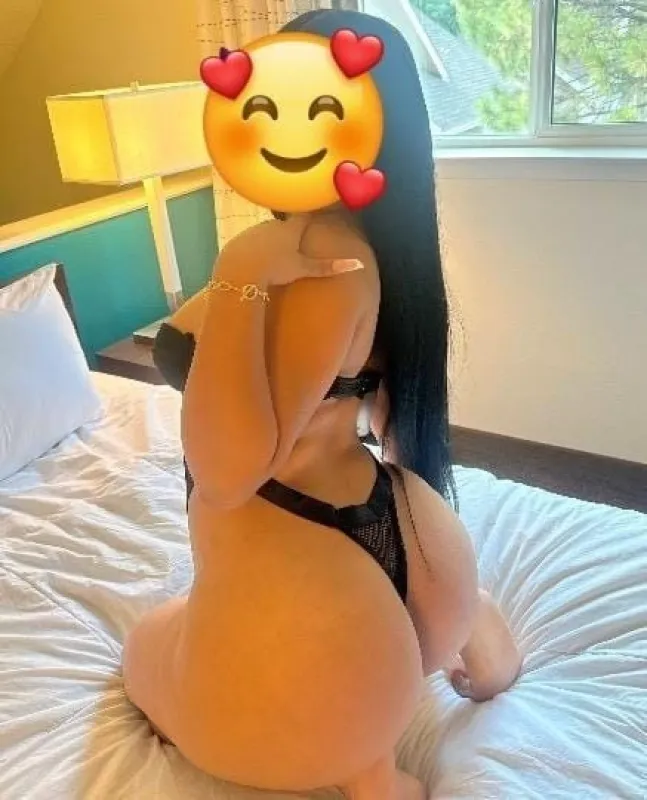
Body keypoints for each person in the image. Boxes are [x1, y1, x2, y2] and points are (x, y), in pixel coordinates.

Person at [123, 10, 521, 800]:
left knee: (142, 654)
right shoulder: (382, 248)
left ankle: (372, 745)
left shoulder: (311, 261)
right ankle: (455, 623)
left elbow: (227, 475)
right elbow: (391, 417)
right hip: (399, 527)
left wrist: (237, 276)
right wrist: (429, 591)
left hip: (301, 557)